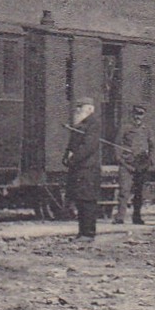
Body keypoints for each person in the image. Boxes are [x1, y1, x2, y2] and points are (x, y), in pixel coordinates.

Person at [63, 98, 103, 240]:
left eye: (81, 107)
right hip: (79, 168)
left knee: (88, 201)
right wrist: (66, 156)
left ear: (90, 109)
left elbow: (88, 147)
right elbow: (73, 144)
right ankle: (82, 232)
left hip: (88, 170)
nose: (77, 109)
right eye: (77, 106)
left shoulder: (93, 124)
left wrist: (73, 159)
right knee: (80, 200)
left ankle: (89, 233)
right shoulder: (80, 124)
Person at [114, 103, 155, 225]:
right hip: (126, 164)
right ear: (132, 114)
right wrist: (120, 159)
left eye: (141, 114)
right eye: (136, 114)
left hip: (141, 166)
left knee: (139, 193)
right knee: (124, 191)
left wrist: (149, 160)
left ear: (144, 115)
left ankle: (137, 217)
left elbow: (152, 146)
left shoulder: (147, 130)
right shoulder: (125, 128)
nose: (138, 117)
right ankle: (120, 217)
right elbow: (117, 144)